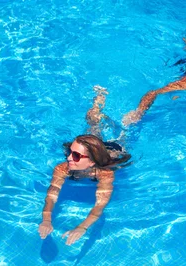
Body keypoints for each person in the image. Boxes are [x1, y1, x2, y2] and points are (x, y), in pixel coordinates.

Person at [38, 85, 131, 245]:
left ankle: (128, 120)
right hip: (93, 152)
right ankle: (98, 101)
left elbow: (100, 205)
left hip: (112, 152)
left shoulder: (105, 173)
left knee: (123, 137)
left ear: (92, 162)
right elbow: (51, 197)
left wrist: (82, 227)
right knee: (93, 128)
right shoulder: (62, 169)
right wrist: (46, 220)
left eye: (75, 155)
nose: (68, 158)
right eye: (70, 152)